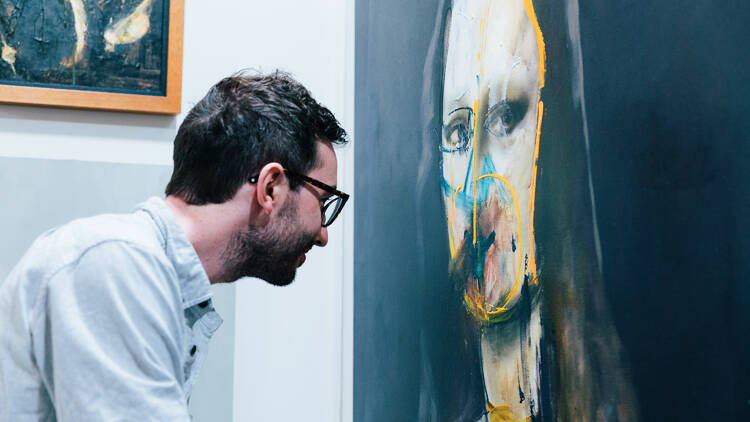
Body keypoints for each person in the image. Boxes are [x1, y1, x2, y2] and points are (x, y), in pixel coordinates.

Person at [0, 71, 349, 421]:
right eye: (324, 201)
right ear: (271, 187)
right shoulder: (114, 263)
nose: (323, 234)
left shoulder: (158, 281)